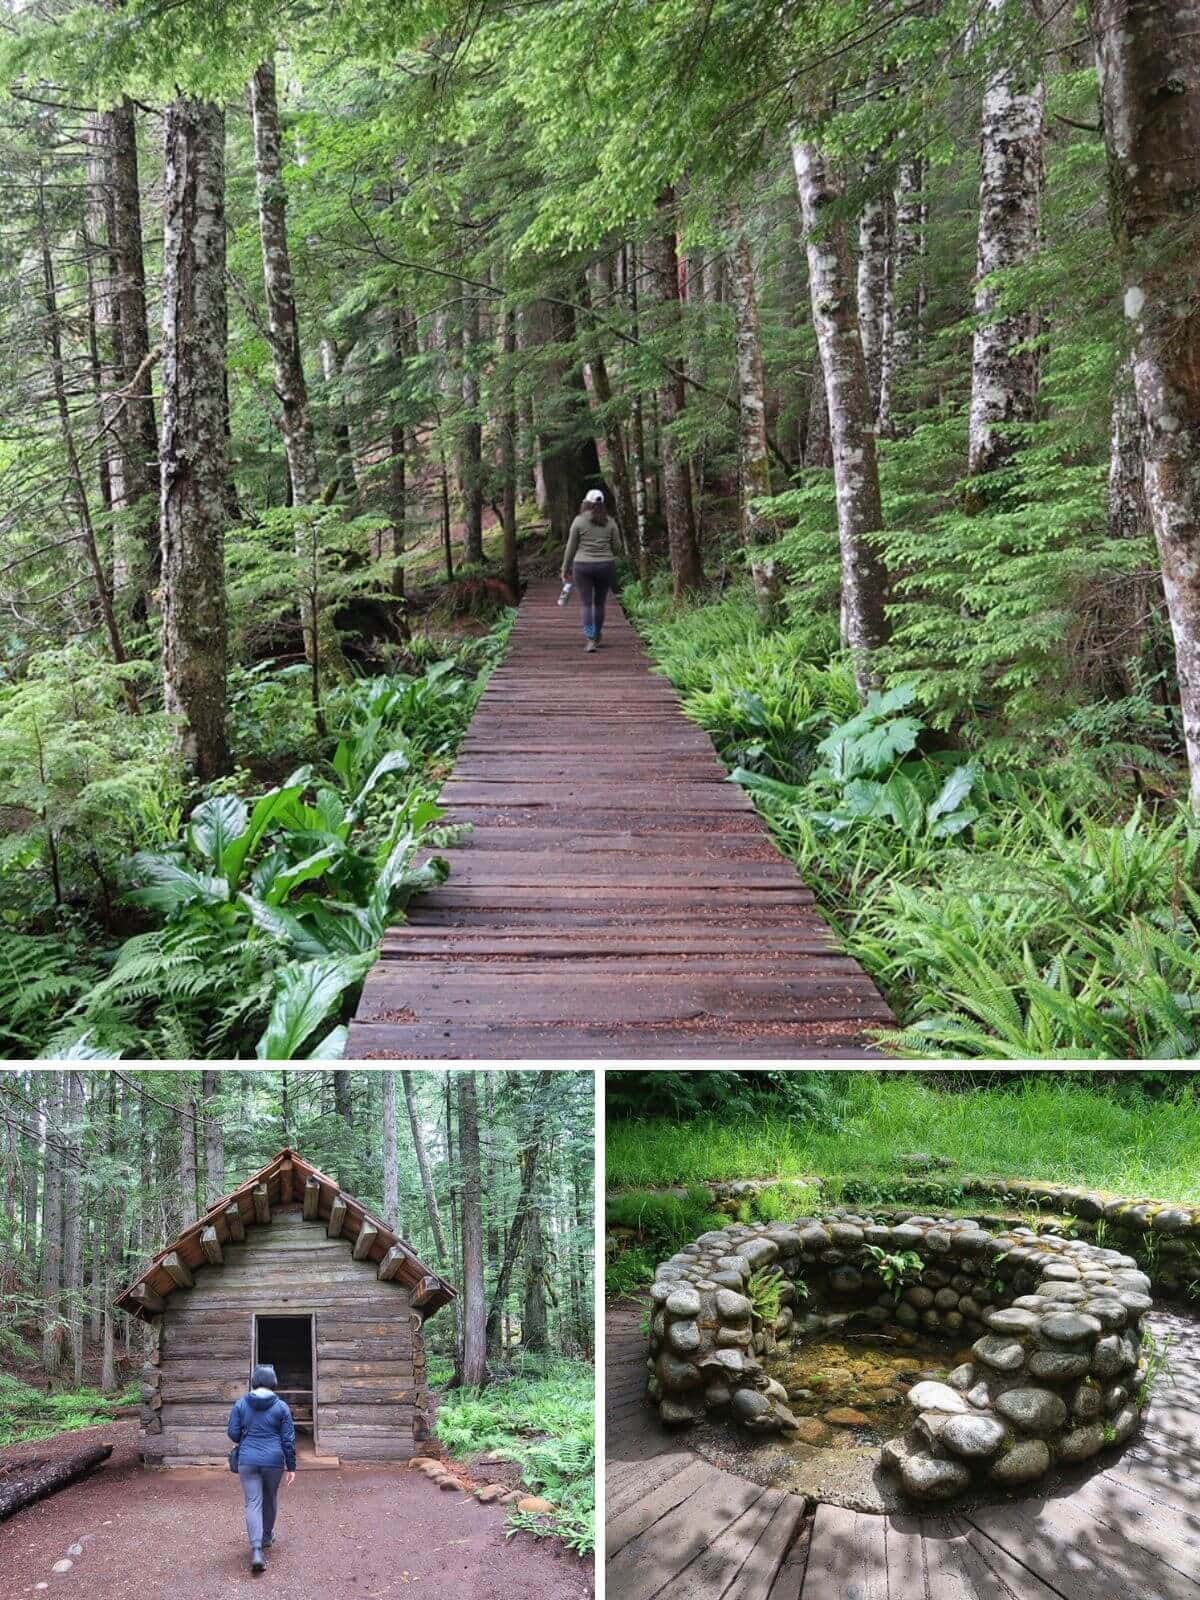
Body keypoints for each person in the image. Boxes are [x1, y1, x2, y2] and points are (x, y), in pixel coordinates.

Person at [228, 1363, 296, 1573]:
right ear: (273, 1382)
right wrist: (291, 1466)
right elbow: (288, 1440)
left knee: (252, 1502)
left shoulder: (241, 1404)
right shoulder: (281, 1407)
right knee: (270, 1498)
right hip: (274, 1461)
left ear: (255, 1381)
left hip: (248, 1459)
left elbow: (233, 1434)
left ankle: (256, 1550)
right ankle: (266, 1537)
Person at [561, 488, 624, 652]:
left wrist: (564, 568)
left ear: (586, 503)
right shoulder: (610, 522)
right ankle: (597, 634)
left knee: (586, 604)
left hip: (582, 567)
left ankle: (591, 638)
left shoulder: (579, 521)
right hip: (605, 566)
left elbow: (571, 547)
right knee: (600, 603)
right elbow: (618, 548)